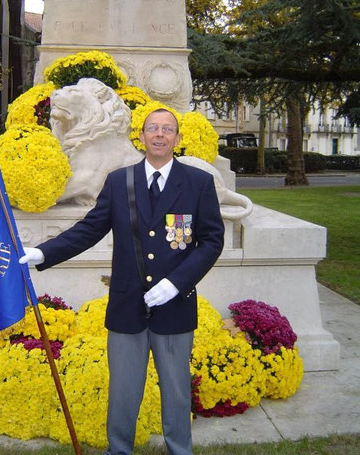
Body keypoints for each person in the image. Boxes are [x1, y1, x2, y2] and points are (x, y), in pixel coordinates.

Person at [20, 108, 225, 455]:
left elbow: (211, 240)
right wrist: (44, 253)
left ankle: (180, 450)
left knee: (176, 391)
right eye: (153, 129)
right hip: (127, 304)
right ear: (141, 136)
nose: (160, 135)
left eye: (167, 129)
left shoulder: (198, 183)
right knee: (124, 391)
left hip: (175, 306)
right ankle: (119, 451)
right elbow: (89, 229)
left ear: (177, 138)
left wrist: (176, 283)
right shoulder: (119, 181)